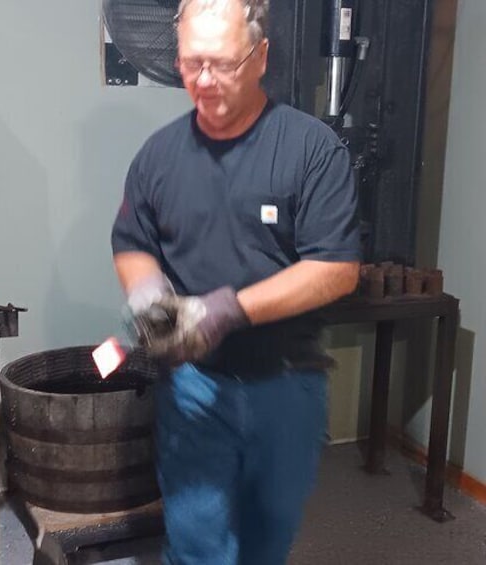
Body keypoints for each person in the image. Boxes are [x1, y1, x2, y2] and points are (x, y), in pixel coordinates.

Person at [110, 0, 361, 563]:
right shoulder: (158, 156)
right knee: (197, 539)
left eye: (222, 64)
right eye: (191, 64)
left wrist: (226, 310)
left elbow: (336, 268)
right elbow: (132, 243)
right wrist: (149, 293)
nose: (204, 81)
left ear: (260, 56)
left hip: (286, 384)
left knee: (268, 536)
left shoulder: (312, 150)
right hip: (195, 386)